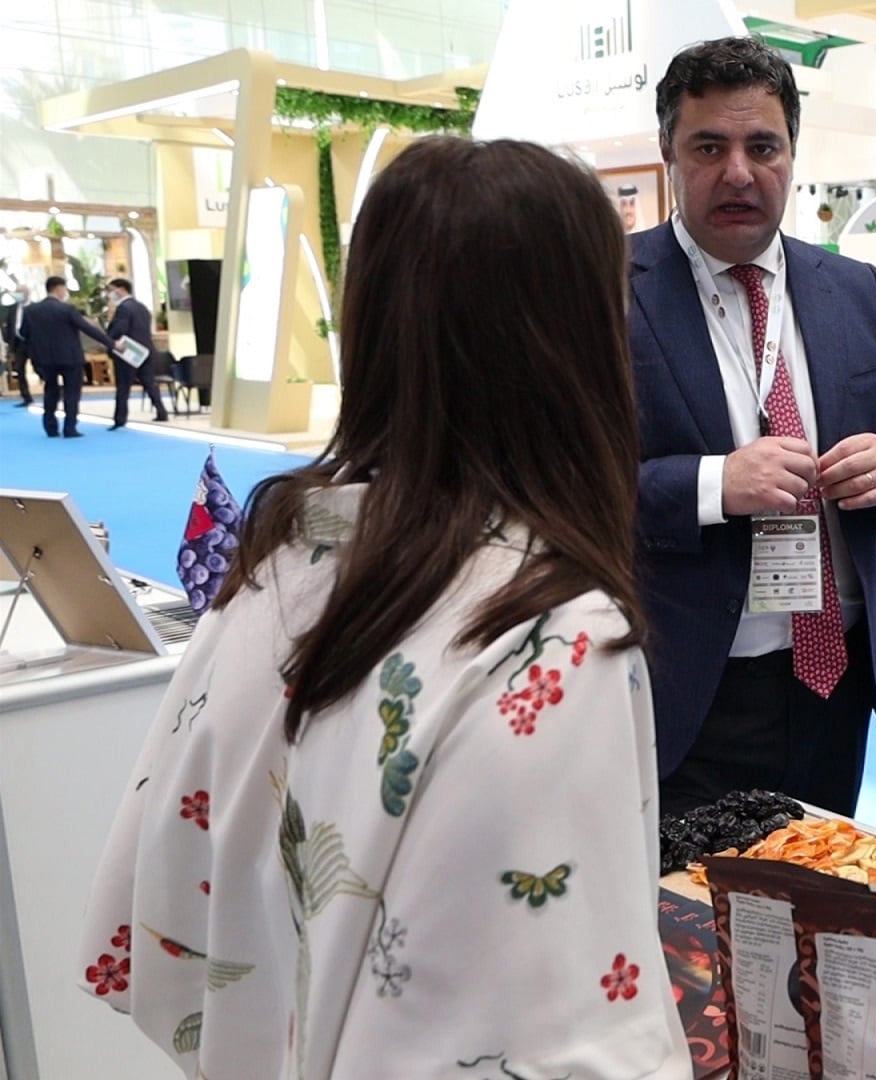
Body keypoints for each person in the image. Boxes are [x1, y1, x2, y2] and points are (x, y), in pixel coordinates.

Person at [76, 137, 693, 1079]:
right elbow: (562, 1049)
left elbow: (152, 939)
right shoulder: (551, 637)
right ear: (579, 347)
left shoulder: (282, 567)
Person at [627, 36, 876, 818]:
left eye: (763, 147)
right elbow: (556, 487)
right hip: (689, 687)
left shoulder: (855, 289)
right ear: (668, 152)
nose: (739, 172)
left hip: (835, 684)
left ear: (792, 153)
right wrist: (714, 483)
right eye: (709, 147)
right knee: (689, 894)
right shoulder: (605, 289)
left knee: (822, 888)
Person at [17, 275, 115, 437]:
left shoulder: (31, 311)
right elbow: (87, 328)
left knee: (50, 390)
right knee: (72, 392)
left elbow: (23, 333)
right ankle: (70, 427)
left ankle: (50, 427)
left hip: (45, 358)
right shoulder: (67, 309)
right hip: (70, 357)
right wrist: (111, 343)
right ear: (59, 288)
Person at [104, 277, 170, 427]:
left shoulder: (123, 308)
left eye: (111, 290)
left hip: (128, 351)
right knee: (149, 382)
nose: (110, 294)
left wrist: (109, 340)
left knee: (123, 386)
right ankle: (161, 411)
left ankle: (120, 418)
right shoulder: (142, 307)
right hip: (145, 350)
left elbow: (119, 329)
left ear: (121, 290)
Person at [1, 282, 29, 407]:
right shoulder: (12, 308)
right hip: (18, 343)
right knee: (20, 370)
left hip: (33, 343)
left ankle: (53, 392)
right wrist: (10, 346)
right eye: (17, 292)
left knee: (41, 368)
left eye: (21, 292)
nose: (19, 294)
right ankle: (26, 396)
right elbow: (10, 327)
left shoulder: (34, 307)